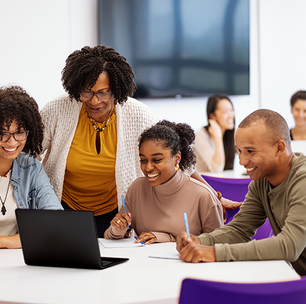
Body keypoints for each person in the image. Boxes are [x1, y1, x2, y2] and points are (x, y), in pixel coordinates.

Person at [40, 45, 239, 237]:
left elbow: (176, 155)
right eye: (87, 92)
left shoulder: (137, 115)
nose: (94, 101)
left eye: (103, 93)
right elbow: (27, 152)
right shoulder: (58, 110)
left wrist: (213, 195)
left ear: (117, 90)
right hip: (63, 209)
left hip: (114, 215)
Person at [176, 109, 306, 276]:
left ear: (279, 148)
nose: (242, 161)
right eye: (239, 151)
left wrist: (215, 253)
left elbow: (289, 246)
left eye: (250, 151)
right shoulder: (262, 181)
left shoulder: (302, 179)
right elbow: (240, 229)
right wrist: (200, 241)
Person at [104, 120, 223, 244]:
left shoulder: (202, 196)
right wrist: (117, 229)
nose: (148, 167)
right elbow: (109, 236)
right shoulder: (137, 189)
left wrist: (166, 238)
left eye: (157, 160)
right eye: (143, 160)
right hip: (143, 262)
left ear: (176, 158)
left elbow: (216, 244)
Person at [0, 86, 63, 249]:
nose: (12, 142)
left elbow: (56, 222)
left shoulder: (31, 168)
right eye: (3, 133)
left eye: (19, 132)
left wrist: (5, 241)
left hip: (18, 259)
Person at [194, 94, 235, 172]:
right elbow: (216, 169)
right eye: (225, 111)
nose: (231, 115)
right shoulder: (200, 136)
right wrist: (218, 137)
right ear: (212, 116)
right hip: (205, 182)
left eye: (231, 110)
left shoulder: (230, 134)